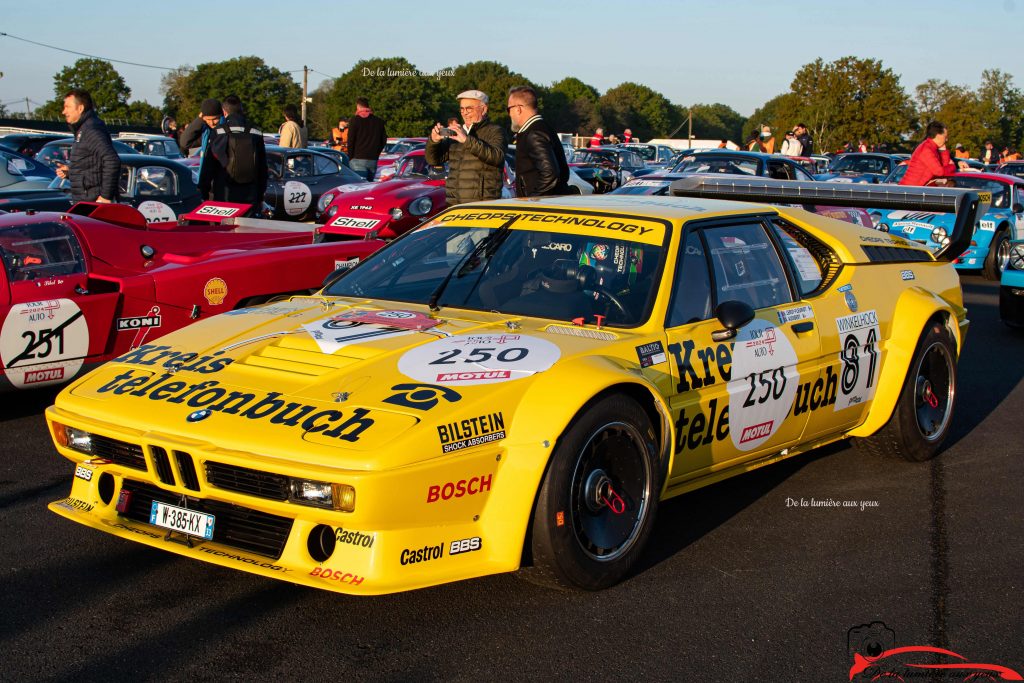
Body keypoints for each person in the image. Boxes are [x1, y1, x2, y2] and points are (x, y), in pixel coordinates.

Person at [425, 89, 506, 207]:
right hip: (454, 205)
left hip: (482, 206)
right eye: (462, 109)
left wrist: (466, 140)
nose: (464, 113)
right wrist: (434, 140)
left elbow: (497, 157)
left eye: (469, 108)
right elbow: (433, 160)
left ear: (483, 109)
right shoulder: (456, 132)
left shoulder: (495, 131)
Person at [198, 95, 267, 212]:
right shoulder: (255, 132)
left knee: (224, 229)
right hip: (250, 195)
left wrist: (203, 193)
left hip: (224, 194)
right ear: (242, 110)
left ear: (224, 112)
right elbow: (262, 168)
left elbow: (208, 166)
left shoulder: (218, 132)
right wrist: (260, 197)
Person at [55, 89, 120, 204]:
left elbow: (111, 160)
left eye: (67, 107)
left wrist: (105, 196)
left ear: (80, 108)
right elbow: (91, 166)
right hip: (85, 201)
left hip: (93, 204)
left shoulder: (91, 129)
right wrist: (71, 172)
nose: (63, 112)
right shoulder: (82, 129)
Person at [507, 85, 569, 197]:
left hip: (541, 207)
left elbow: (550, 174)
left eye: (508, 109)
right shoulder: (542, 128)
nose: (509, 114)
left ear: (518, 109)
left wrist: (532, 200)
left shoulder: (534, 133)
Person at [900, 121, 967, 186]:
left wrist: (944, 151)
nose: (947, 140)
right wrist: (953, 166)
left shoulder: (933, 148)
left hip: (917, 190)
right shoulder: (926, 149)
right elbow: (939, 172)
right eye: (945, 137)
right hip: (909, 191)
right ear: (938, 135)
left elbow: (944, 167)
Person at [347, 97, 388, 181]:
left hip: (357, 158)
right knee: (368, 188)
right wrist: (376, 153)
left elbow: (350, 140)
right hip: (373, 159)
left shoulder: (354, 120)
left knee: (358, 188)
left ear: (358, 106)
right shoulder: (379, 122)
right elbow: (383, 140)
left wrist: (350, 157)